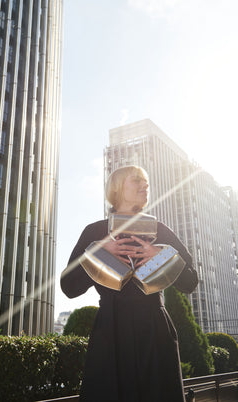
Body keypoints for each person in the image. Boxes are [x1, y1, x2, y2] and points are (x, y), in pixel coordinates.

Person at [60, 165, 198, 402]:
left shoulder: (160, 231)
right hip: (110, 330)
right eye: (136, 181)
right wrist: (97, 251)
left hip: (155, 330)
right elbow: (69, 287)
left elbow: (190, 282)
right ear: (117, 188)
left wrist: (161, 255)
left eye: (146, 182)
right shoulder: (95, 232)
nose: (145, 185)